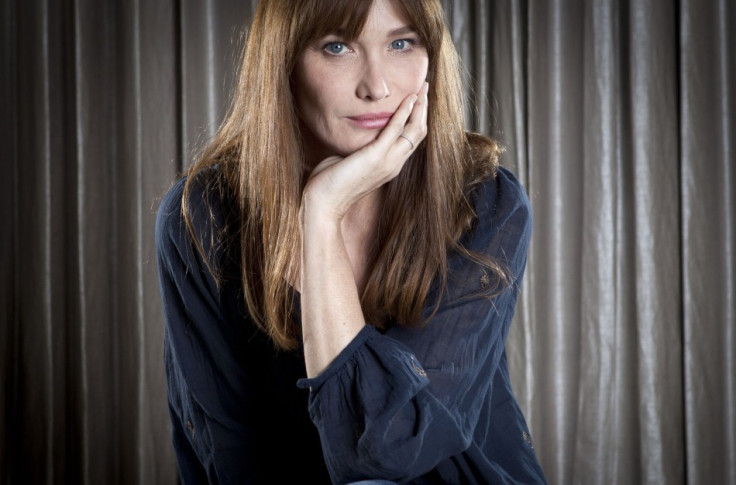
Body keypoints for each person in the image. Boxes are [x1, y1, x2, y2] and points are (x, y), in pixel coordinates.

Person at [155, 0, 548, 483]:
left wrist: (319, 213)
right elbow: (228, 450)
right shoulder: (203, 215)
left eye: (401, 43)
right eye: (337, 47)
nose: (376, 87)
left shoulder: (482, 200)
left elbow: (386, 447)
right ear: (284, 62)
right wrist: (319, 212)